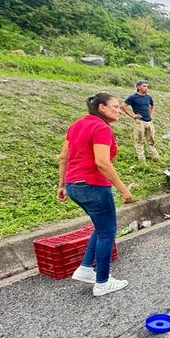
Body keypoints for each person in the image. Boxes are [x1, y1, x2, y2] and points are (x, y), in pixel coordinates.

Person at [57, 93, 134, 297]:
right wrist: (123, 189)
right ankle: (102, 282)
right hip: (93, 187)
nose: (119, 110)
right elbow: (102, 162)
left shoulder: (76, 125)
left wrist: (62, 185)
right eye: (115, 106)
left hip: (74, 186)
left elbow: (64, 156)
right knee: (108, 232)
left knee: (100, 228)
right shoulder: (101, 128)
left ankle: (84, 269)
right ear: (102, 107)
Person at [121, 80, 160, 162]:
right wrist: (133, 115)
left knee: (151, 140)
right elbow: (123, 106)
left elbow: (152, 105)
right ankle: (142, 160)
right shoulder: (133, 97)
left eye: (147, 86)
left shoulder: (148, 97)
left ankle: (155, 157)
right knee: (139, 141)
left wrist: (151, 114)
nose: (146, 87)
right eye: (144, 86)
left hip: (149, 121)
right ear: (138, 87)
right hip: (140, 122)